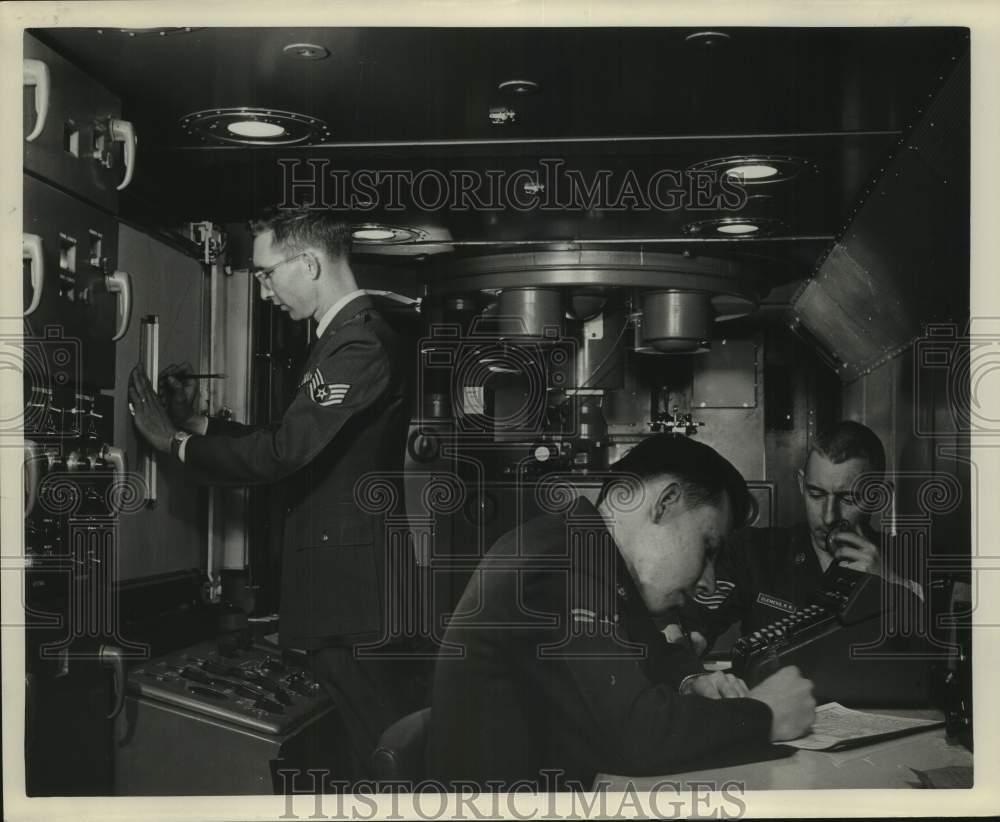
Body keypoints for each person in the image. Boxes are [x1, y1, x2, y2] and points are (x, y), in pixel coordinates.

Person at [128, 206, 418, 780]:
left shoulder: (358, 344)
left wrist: (174, 443)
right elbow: (291, 441)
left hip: (352, 601)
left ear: (308, 263)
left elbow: (283, 454)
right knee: (374, 751)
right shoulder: (341, 338)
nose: (263, 292)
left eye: (266, 274)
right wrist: (200, 423)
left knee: (389, 758)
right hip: (349, 597)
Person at [427, 434, 816, 790]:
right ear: (665, 504)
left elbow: (653, 658)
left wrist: (690, 681)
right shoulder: (563, 561)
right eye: (708, 548)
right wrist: (765, 715)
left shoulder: (587, 552)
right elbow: (635, 736)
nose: (709, 583)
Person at [681, 420, 921, 655]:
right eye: (815, 494)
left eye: (847, 499)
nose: (828, 517)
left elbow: (941, 654)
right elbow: (693, 626)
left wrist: (891, 586)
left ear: (879, 497)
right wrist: (689, 644)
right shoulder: (754, 552)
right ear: (801, 483)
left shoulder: (910, 561)